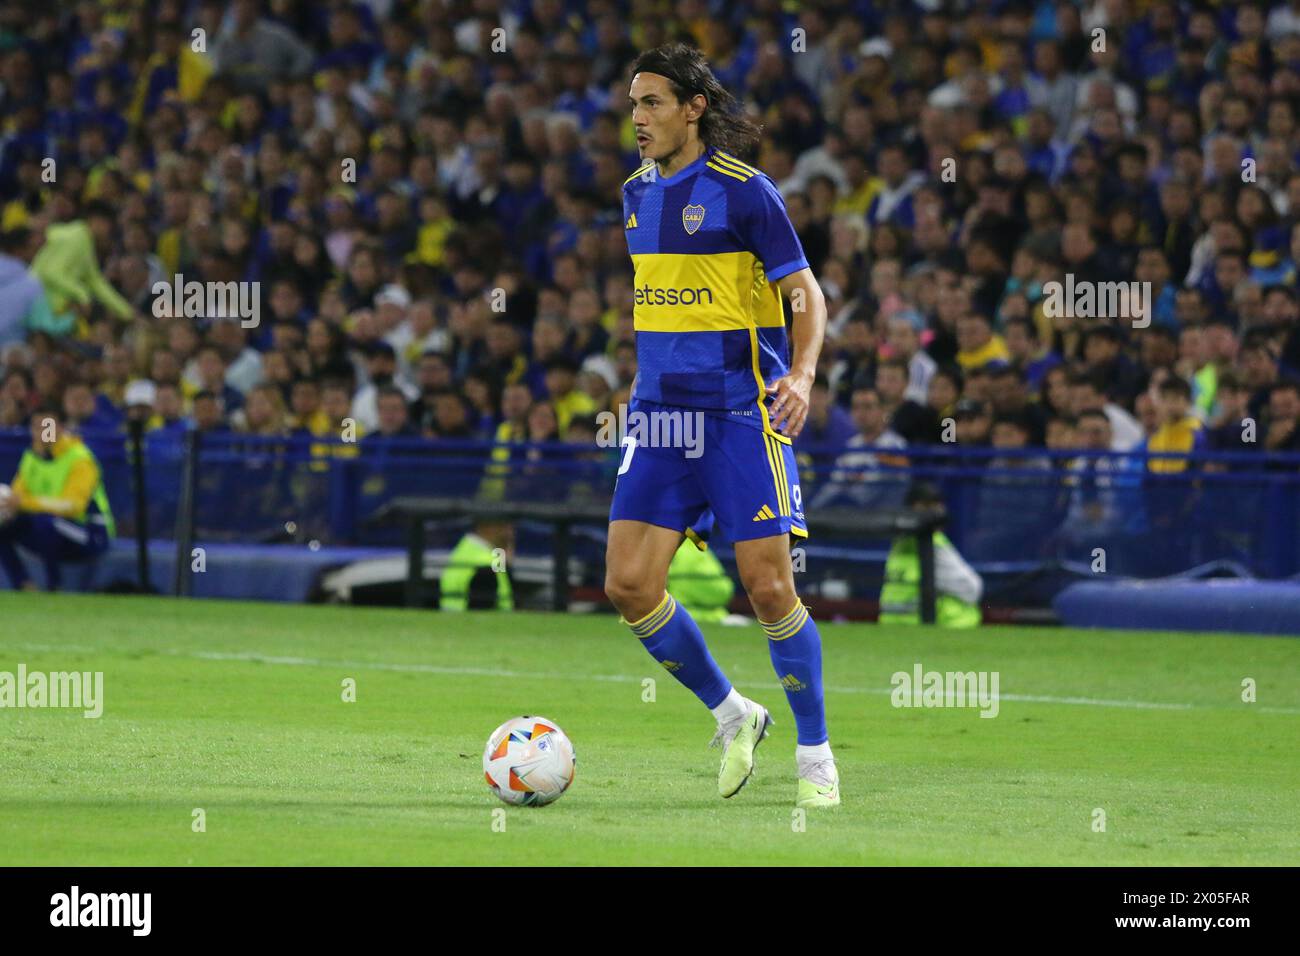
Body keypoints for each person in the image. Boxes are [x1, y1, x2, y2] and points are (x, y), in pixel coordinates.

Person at [605, 44, 838, 809]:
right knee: (629, 585)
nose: (637, 119)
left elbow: (804, 293)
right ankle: (735, 713)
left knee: (769, 588)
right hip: (661, 417)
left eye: (652, 104)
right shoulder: (634, 194)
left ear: (693, 108)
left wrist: (799, 377)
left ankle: (815, 760)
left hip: (741, 412)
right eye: (633, 104)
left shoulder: (746, 191)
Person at [0, 407, 115, 591]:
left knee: (44, 522)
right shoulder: (31, 457)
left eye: (47, 426)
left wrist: (23, 503)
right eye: (36, 427)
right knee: (4, 527)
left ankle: (54, 587)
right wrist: (8, 507)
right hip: (51, 530)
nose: (41, 432)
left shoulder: (80, 459)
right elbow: (17, 495)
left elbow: (73, 506)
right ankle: (23, 586)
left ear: (62, 428)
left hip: (90, 533)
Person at [878, 482, 982, 628]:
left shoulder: (899, 542)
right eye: (927, 506)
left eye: (937, 506)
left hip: (900, 628)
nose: (934, 513)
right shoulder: (932, 543)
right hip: (938, 627)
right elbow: (972, 588)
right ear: (911, 508)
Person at [439, 520, 515, 612]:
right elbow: (483, 609)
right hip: (470, 621)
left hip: (454, 619)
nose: (510, 533)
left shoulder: (466, 547)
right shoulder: (486, 563)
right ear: (487, 528)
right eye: (505, 527)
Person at [666, 535, 735, 625]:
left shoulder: (692, 544)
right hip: (715, 614)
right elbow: (724, 591)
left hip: (676, 614)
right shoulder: (698, 544)